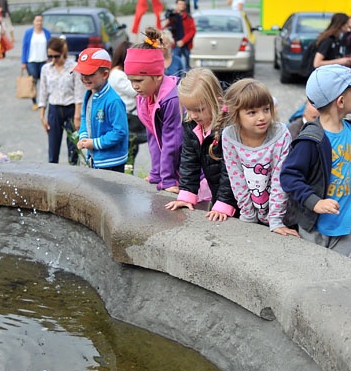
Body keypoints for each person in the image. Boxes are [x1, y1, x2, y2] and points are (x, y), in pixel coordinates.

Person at [281, 66, 351, 254]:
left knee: (342, 276)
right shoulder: (311, 139)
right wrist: (314, 202)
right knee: (316, 276)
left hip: (349, 223)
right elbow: (289, 176)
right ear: (341, 101)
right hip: (317, 227)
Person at [219, 78, 296, 236]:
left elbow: (279, 180)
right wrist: (248, 215)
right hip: (252, 213)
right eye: (252, 112)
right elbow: (237, 179)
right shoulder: (229, 136)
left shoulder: (281, 134)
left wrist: (276, 220)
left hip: (284, 216)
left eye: (266, 109)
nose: (262, 117)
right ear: (236, 114)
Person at [165, 68, 236, 217]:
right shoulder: (192, 123)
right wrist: (186, 195)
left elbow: (230, 171)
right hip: (217, 191)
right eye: (188, 109)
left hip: (238, 199)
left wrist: (224, 203)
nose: (192, 115)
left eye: (199, 109)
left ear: (217, 100)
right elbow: (189, 161)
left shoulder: (229, 128)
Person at [124, 30, 183, 192]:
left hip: (189, 171)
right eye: (130, 80)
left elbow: (173, 143)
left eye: (139, 80)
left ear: (157, 76)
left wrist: (168, 180)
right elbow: (154, 138)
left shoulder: (172, 99)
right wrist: (156, 174)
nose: (134, 86)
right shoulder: (144, 97)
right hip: (173, 169)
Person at [73, 48, 129, 173]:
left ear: (105, 74)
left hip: (111, 161)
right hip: (96, 158)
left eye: (90, 74)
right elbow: (84, 118)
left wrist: (94, 143)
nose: (85, 78)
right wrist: (83, 136)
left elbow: (120, 132)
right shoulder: (89, 95)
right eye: (82, 74)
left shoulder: (113, 101)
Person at [37, 36, 82, 165]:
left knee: (73, 147)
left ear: (63, 53)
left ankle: (74, 176)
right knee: (53, 148)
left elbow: (78, 92)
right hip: (54, 109)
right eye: (50, 56)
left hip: (70, 108)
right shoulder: (46, 69)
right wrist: (42, 115)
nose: (53, 60)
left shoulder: (74, 67)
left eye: (56, 56)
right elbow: (43, 92)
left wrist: (77, 116)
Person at [108, 40, 145, 165]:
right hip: (127, 117)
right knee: (129, 154)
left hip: (129, 116)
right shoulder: (118, 75)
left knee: (131, 152)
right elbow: (136, 91)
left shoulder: (120, 73)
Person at [21, 14, 51, 111]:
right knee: (33, 82)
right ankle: (34, 101)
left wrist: (50, 58)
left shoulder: (47, 33)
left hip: (44, 60)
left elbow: (50, 46)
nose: (39, 23)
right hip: (31, 61)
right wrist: (23, 61)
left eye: (41, 21)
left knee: (44, 82)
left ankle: (43, 101)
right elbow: (25, 47)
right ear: (33, 22)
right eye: (37, 21)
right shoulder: (29, 33)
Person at [167, 0, 195, 76]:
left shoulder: (188, 17)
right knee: (175, 63)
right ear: (176, 5)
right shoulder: (173, 16)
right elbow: (166, 28)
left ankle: (185, 81)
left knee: (186, 65)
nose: (182, 6)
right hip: (175, 44)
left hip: (185, 44)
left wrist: (183, 41)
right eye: (180, 4)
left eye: (183, 4)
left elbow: (192, 31)